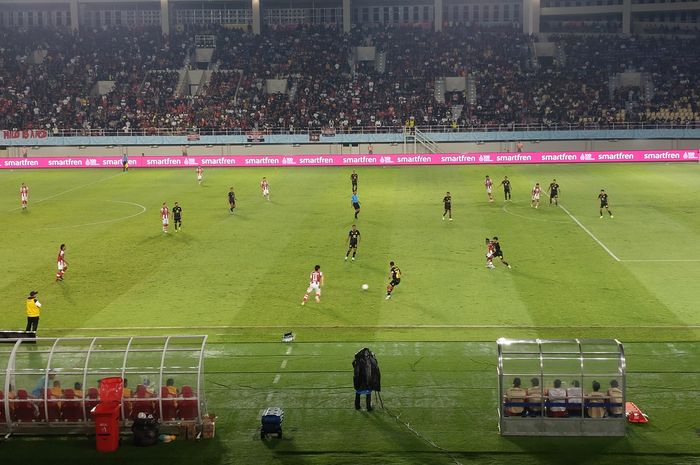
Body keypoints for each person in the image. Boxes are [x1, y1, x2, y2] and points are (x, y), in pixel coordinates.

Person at [353, 347, 381, 411]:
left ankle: (357, 406)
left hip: (359, 381)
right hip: (367, 381)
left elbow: (354, 366)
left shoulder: (357, 359)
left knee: (358, 393)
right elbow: (375, 365)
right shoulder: (369, 359)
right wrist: (373, 357)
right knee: (367, 394)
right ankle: (368, 407)